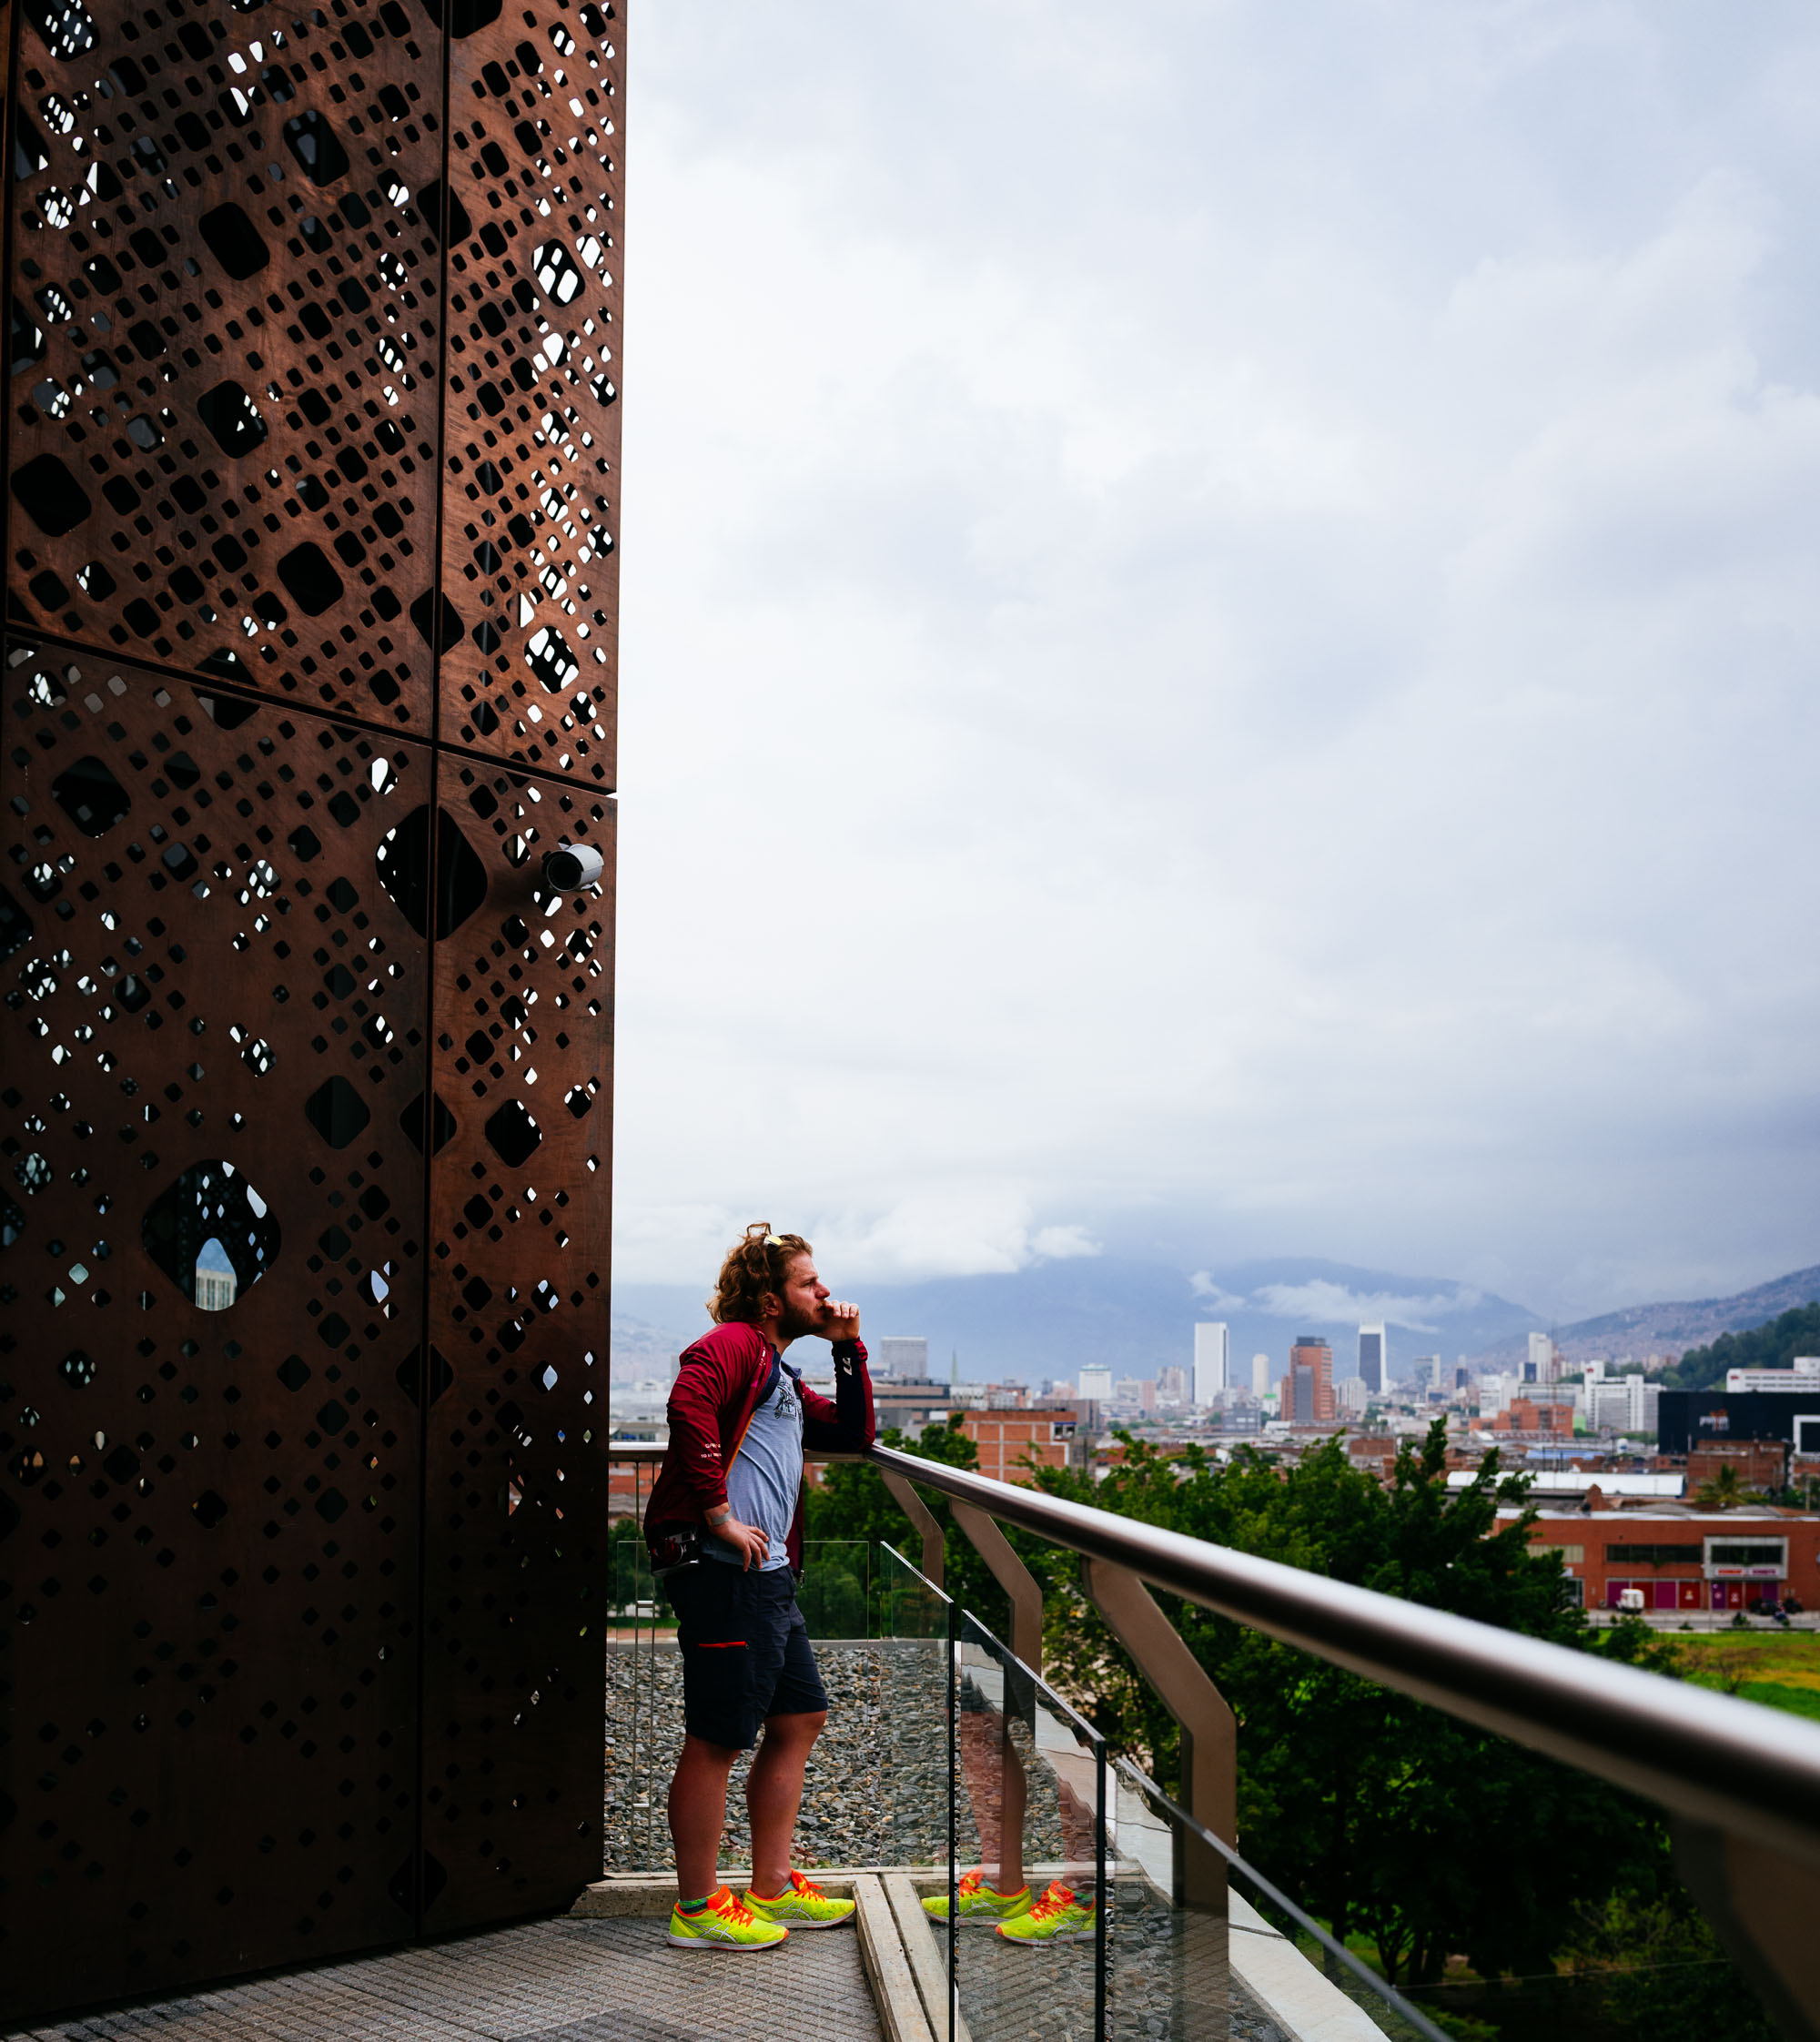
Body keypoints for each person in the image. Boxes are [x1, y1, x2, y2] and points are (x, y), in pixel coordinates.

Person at [643, 1224, 877, 1952]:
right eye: (811, 1284)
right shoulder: (734, 1344)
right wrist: (717, 1514)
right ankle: (697, 1907)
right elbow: (689, 1406)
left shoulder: (777, 1372)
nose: (826, 1292)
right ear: (772, 1300)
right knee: (716, 1738)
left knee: (800, 1716)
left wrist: (848, 1349)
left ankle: (771, 1883)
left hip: (768, 1577)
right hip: (724, 1572)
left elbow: (855, 1436)